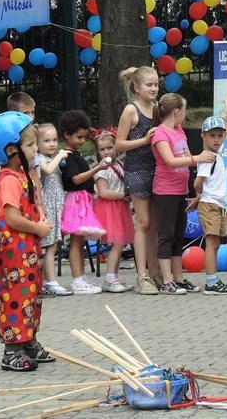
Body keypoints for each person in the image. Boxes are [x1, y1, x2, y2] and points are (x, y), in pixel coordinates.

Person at [0, 111, 54, 372]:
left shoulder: (22, 175)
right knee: (14, 297)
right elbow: (12, 218)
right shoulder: (9, 180)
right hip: (13, 254)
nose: (36, 150)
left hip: (27, 251)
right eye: (31, 145)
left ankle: (29, 341)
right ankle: (12, 350)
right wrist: (38, 228)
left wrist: (40, 215)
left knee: (31, 295)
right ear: (11, 149)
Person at [151, 93, 214, 295]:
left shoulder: (179, 130)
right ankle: (167, 279)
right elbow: (170, 160)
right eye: (184, 111)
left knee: (179, 234)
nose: (185, 115)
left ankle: (178, 278)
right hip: (165, 190)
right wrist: (198, 158)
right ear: (177, 111)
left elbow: (184, 155)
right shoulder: (160, 134)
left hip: (180, 189)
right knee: (166, 234)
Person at [116, 66, 160, 295]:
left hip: (158, 171)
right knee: (143, 222)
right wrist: (143, 141)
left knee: (155, 224)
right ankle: (141, 275)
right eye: (149, 85)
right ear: (137, 87)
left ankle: (156, 272)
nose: (154, 88)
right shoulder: (130, 110)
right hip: (137, 171)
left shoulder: (159, 109)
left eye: (156, 84)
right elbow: (119, 145)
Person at [58, 109, 108, 295]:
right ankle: (77, 280)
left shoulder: (73, 154)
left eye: (83, 138)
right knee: (76, 241)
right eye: (78, 137)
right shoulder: (68, 156)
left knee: (78, 242)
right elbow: (76, 179)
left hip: (82, 199)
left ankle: (79, 278)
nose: (81, 141)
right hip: (76, 200)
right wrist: (98, 169)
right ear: (67, 135)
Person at [91, 127, 135, 293]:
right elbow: (103, 192)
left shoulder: (121, 165)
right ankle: (109, 278)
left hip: (120, 207)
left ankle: (114, 276)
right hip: (110, 208)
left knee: (121, 243)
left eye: (109, 147)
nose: (106, 151)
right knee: (117, 244)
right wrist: (123, 195)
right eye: (102, 149)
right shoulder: (102, 170)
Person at [193, 117, 227, 295]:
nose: (216, 139)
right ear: (203, 137)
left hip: (218, 204)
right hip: (210, 204)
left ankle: (214, 278)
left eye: (220, 135)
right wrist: (203, 195)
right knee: (211, 242)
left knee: (216, 242)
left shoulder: (217, 153)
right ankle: (211, 282)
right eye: (212, 136)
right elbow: (197, 183)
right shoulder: (208, 158)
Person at [34, 123, 71, 297]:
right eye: (46, 140)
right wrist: (60, 156)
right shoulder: (39, 159)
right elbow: (48, 171)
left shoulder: (52, 158)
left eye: (55, 140)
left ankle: (47, 281)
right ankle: (51, 281)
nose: (52, 144)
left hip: (56, 206)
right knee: (49, 245)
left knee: (54, 245)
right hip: (47, 207)